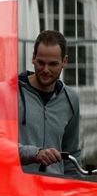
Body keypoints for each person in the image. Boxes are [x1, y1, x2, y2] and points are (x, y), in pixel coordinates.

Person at [18, 29, 80, 176]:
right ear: (33, 58)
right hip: (17, 189)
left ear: (64, 61)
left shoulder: (71, 99)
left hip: (54, 192)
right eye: (41, 62)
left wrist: (73, 191)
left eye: (53, 64)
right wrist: (35, 153)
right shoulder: (9, 93)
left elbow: (71, 153)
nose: (45, 70)